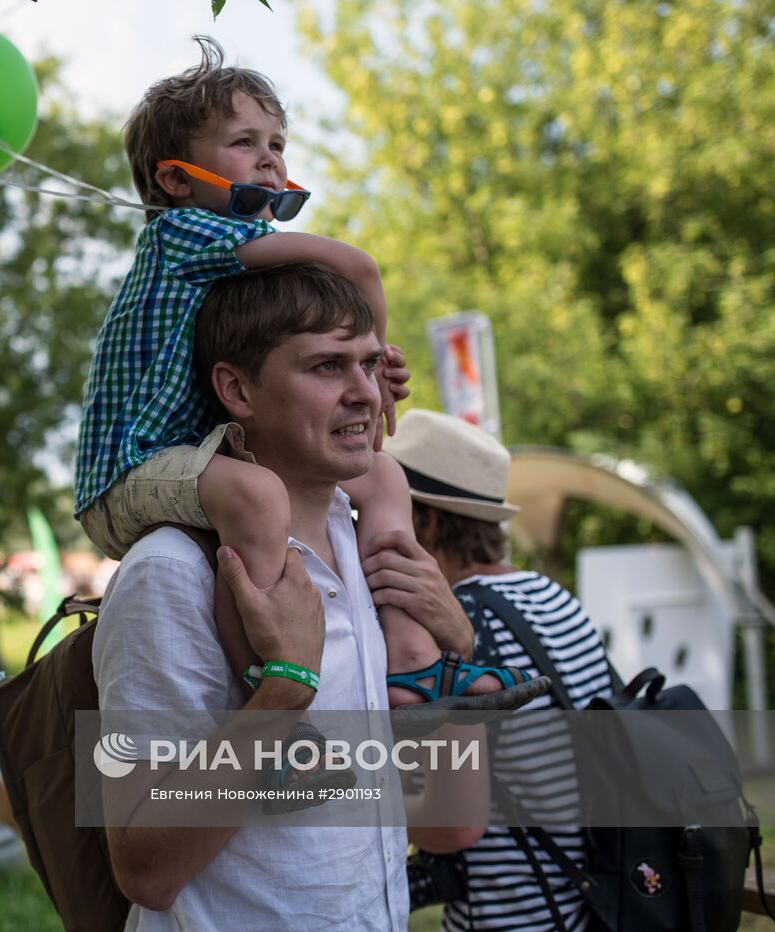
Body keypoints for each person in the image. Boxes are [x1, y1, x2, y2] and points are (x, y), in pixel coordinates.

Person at [76, 36, 539, 713]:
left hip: (202, 451)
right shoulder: (185, 235)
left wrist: (359, 363)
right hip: (128, 469)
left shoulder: (238, 264)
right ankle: (272, 686)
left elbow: (449, 826)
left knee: (385, 474)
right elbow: (357, 268)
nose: (269, 157)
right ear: (175, 178)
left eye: (277, 142)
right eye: (243, 142)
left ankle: (412, 664)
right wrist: (376, 368)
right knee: (259, 497)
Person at [93, 263, 494, 928]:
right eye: (327, 368)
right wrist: (283, 690)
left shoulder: (372, 552)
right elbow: (146, 870)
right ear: (236, 389)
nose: (365, 394)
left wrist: (452, 659)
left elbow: (447, 829)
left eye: (370, 364)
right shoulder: (173, 571)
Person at [375, 409, 613, 930]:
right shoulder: (552, 596)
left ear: (427, 523)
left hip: (511, 917)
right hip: (591, 907)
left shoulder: (459, 626)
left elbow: (454, 826)